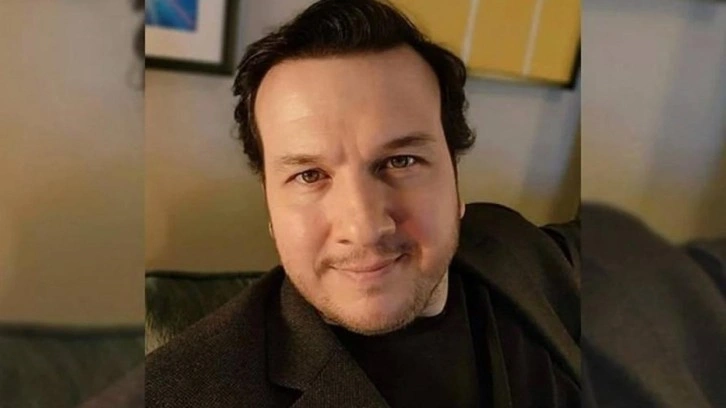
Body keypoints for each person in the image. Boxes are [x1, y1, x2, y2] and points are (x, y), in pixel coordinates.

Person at [145, 1, 580, 407]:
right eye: (309, 175)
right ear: (270, 209)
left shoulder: (514, 243)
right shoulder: (179, 394)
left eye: (401, 161)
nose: (365, 228)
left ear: (455, 178)